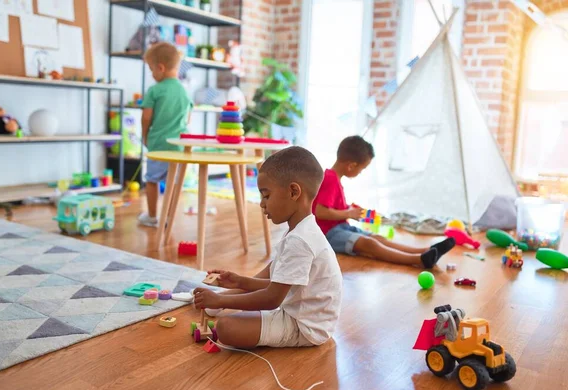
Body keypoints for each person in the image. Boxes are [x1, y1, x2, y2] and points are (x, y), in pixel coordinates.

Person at [193, 147, 342, 349]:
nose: (262, 204)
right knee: (236, 307)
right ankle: (222, 298)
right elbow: (275, 283)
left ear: (293, 192)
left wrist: (219, 300)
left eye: (266, 196)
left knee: (227, 327)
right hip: (297, 309)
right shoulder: (301, 230)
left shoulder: (300, 241)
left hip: (305, 326)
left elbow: (272, 297)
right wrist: (239, 281)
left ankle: (221, 300)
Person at [313, 136, 455, 268]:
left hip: (340, 228)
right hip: (328, 234)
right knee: (369, 243)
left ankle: (426, 250)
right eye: (361, 170)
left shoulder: (333, 179)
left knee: (377, 238)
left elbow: (330, 207)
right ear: (351, 166)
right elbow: (320, 212)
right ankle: (419, 260)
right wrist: (349, 213)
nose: (360, 173)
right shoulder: (330, 179)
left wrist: (350, 209)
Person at [138, 42, 192, 227]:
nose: (152, 74)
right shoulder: (184, 91)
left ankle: (152, 216)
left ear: (160, 68)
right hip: (178, 147)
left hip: (158, 145)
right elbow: (188, 118)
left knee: (152, 181)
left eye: (152, 69)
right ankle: (168, 217)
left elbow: (146, 117)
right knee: (174, 184)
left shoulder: (155, 90)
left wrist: (145, 135)